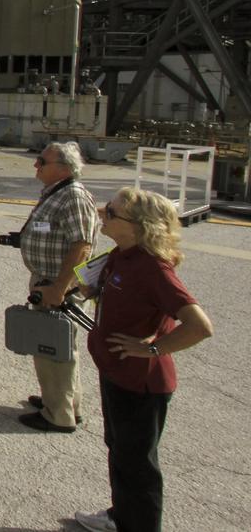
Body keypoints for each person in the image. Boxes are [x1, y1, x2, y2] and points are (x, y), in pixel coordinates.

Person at [73, 188, 214, 532]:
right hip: (116, 374)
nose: (103, 214)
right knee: (120, 454)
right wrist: (91, 290)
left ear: (138, 226)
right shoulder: (122, 254)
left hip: (141, 384)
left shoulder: (153, 267)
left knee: (137, 465)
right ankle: (121, 516)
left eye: (112, 213)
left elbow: (200, 326)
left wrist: (153, 348)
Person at [17, 141, 98, 433]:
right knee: (57, 347)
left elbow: (82, 246)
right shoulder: (57, 192)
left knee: (53, 346)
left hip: (57, 285)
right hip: (48, 280)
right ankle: (61, 401)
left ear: (63, 169)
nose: (36, 165)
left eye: (42, 161)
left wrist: (60, 287)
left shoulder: (73, 196)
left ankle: (58, 415)